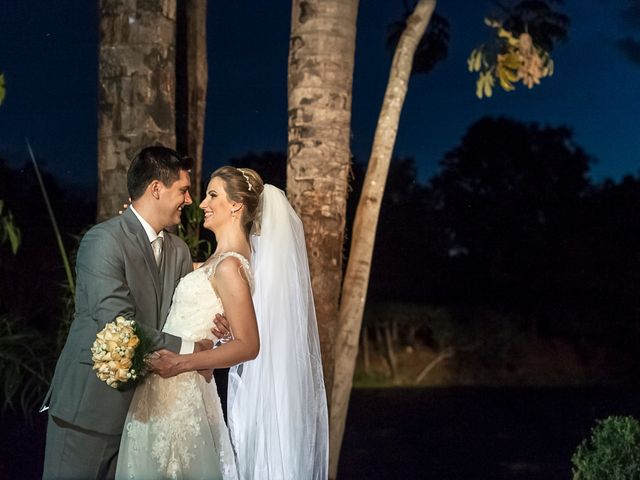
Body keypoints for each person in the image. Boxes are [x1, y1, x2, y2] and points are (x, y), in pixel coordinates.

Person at [122, 167, 329, 479]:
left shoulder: (230, 266)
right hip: (169, 386)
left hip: (179, 384)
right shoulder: (217, 263)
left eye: (212, 195)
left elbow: (248, 345)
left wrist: (180, 363)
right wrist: (140, 220)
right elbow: (161, 265)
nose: (202, 203)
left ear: (236, 205)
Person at [42, 146, 211, 479]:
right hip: (88, 411)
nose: (189, 200)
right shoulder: (103, 241)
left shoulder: (177, 249)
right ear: (156, 189)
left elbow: (183, 309)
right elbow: (121, 325)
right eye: (183, 190)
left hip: (145, 417)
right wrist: (194, 352)